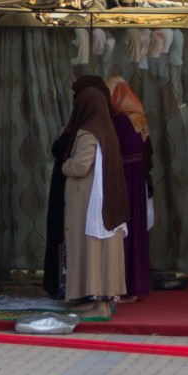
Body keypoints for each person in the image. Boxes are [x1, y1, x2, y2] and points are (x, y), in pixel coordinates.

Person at [61, 75, 129, 319]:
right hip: (101, 202)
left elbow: (81, 166)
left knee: (95, 250)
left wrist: (64, 165)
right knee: (100, 251)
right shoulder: (105, 127)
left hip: (91, 203)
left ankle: (100, 304)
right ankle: (95, 302)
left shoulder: (89, 131)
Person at [105, 75, 153, 302]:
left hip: (123, 180)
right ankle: (135, 286)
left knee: (123, 232)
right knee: (136, 231)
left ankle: (122, 286)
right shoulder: (140, 119)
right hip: (137, 181)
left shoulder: (121, 121)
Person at [42, 129, 72, 300]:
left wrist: (63, 134)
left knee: (61, 232)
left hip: (68, 190)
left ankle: (62, 286)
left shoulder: (79, 131)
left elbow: (59, 149)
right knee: (58, 231)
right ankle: (59, 285)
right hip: (65, 189)